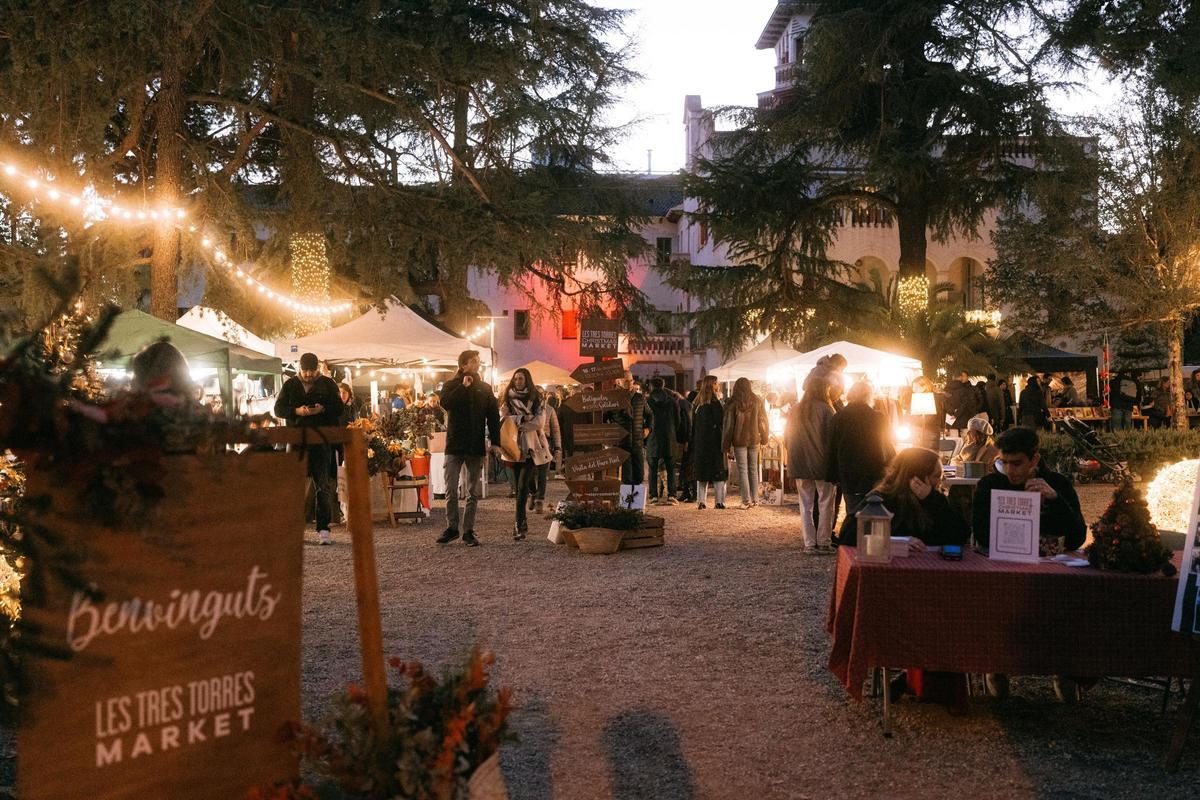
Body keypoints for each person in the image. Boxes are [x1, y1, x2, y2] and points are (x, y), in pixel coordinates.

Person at [840, 447, 970, 710]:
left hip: (932, 592)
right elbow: (848, 535)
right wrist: (895, 541)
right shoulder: (881, 499)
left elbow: (959, 534)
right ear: (916, 477)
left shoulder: (934, 500)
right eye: (934, 477)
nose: (939, 482)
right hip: (892, 597)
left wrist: (932, 498)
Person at [971, 426, 1086, 552]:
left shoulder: (1058, 484)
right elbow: (982, 535)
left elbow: (1077, 538)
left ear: (1034, 460)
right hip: (1001, 564)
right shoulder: (989, 486)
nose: (1009, 470)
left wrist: (1056, 501)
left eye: (1017, 463)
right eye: (1004, 462)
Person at [274, 352, 345, 545]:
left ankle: (323, 528)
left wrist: (323, 409)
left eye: (311, 371)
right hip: (296, 440)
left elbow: (339, 408)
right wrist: (296, 411)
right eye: (305, 371)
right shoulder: (290, 385)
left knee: (323, 485)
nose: (308, 375)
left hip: (321, 442)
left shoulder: (328, 384)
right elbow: (278, 409)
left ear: (317, 369)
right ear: (299, 368)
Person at [437, 350, 502, 547]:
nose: (477, 365)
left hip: (475, 445)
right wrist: (463, 388)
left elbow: (492, 416)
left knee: (473, 491)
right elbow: (445, 403)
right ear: (463, 365)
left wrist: (496, 442)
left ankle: (468, 531)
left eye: (478, 361)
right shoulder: (450, 385)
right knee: (451, 488)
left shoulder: (484, 388)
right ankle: (452, 528)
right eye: (473, 362)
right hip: (455, 445)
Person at [829, 380, 895, 520]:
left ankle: (853, 538)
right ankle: (871, 539)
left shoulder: (839, 417)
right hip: (873, 470)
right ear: (868, 396)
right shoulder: (878, 417)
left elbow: (832, 447)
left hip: (848, 471)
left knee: (852, 510)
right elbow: (886, 445)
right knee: (873, 510)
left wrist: (833, 474)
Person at [499, 368, 553, 539]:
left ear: (526, 380)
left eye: (521, 378)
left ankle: (519, 524)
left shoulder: (536, 399)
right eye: (515, 379)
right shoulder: (507, 398)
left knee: (522, 488)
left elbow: (539, 422)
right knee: (517, 488)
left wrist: (517, 422)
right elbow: (503, 418)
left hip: (530, 447)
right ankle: (521, 522)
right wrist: (522, 419)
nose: (518, 381)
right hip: (512, 447)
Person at [786, 375, 837, 553]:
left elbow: (788, 438)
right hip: (822, 463)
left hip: (799, 462)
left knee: (805, 504)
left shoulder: (795, 409)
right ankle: (824, 541)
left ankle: (809, 543)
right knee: (826, 502)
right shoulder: (826, 410)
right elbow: (832, 439)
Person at [722, 377, 769, 509]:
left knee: (743, 470)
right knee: (753, 469)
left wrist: (726, 445)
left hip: (739, 440)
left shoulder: (732, 403)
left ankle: (745, 500)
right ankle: (755, 499)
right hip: (754, 439)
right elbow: (763, 421)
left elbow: (729, 426)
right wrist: (764, 437)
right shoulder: (757, 401)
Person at [607, 372, 651, 490]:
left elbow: (650, 414)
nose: (630, 383)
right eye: (627, 381)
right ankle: (627, 505)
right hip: (622, 443)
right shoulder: (613, 398)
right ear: (619, 382)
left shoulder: (639, 397)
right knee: (627, 477)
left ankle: (636, 503)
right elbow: (604, 418)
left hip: (637, 441)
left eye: (631, 380)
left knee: (639, 474)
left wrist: (648, 428)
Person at [691, 376, 728, 509]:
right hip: (714, 441)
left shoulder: (697, 403)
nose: (718, 385)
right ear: (713, 385)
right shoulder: (715, 402)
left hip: (701, 441)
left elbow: (693, 424)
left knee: (702, 472)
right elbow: (720, 421)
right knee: (718, 471)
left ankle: (701, 501)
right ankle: (719, 501)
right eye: (717, 383)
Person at [646, 377, 683, 505]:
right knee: (671, 468)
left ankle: (653, 496)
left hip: (653, 438)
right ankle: (672, 495)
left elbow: (644, 420)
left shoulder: (647, 401)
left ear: (651, 386)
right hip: (669, 438)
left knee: (652, 469)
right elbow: (678, 421)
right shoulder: (673, 402)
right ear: (663, 385)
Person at [531, 393, 561, 514]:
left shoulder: (549, 410)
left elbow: (556, 429)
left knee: (543, 474)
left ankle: (540, 500)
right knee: (529, 473)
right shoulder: (528, 409)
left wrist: (558, 448)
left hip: (545, 443)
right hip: (531, 443)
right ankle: (533, 492)